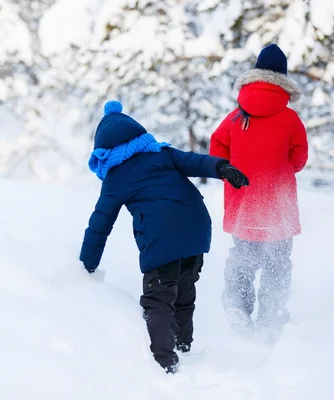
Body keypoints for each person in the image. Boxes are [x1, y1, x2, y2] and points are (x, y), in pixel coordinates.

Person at [80, 100, 249, 373]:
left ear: (104, 150)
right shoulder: (162, 153)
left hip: (161, 240)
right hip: (196, 229)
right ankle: (184, 347)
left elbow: (99, 225)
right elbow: (195, 161)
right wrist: (222, 168)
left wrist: (85, 265)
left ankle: (165, 363)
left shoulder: (116, 177)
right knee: (184, 292)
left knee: (158, 299)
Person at [209, 44, 309, 343]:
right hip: (277, 205)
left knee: (242, 257)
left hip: (243, 203)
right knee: (277, 263)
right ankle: (271, 318)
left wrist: (234, 170)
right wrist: (279, 170)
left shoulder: (235, 116)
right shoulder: (290, 119)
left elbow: (217, 150)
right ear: (283, 81)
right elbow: (300, 158)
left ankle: (238, 309)